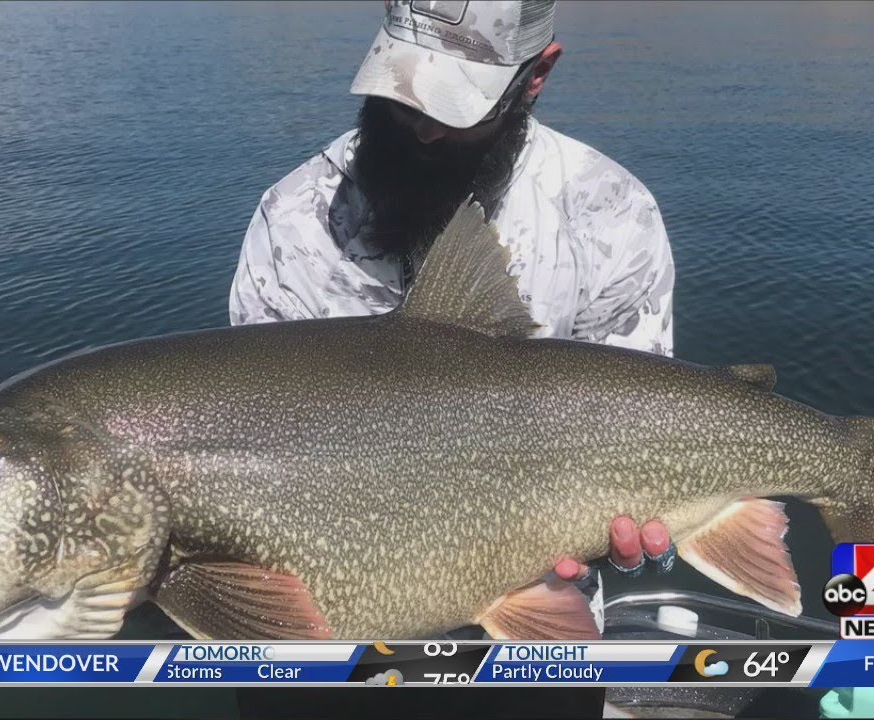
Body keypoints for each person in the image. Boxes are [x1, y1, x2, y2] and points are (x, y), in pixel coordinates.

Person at [230, 3, 678, 716]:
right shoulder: (294, 222)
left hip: (539, 617)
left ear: (537, 76)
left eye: (455, 104)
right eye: (401, 92)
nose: (422, 126)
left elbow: (635, 432)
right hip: (333, 636)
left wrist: (630, 536)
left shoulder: (610, 214)